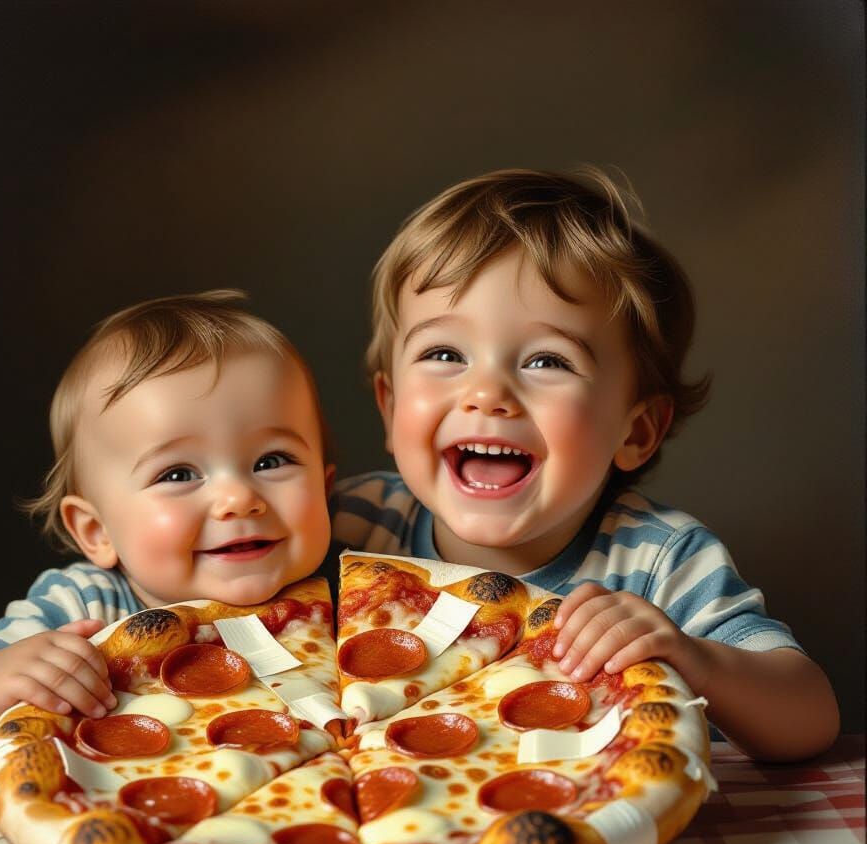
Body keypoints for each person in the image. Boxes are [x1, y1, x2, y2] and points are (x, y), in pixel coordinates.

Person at [330, 168, 839, 763]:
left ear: (636, 431)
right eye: (444, 353)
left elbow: (810, 719)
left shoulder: (658, 561)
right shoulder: (348, 526)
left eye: (547, 361)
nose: (487, 394)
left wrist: (694, 658)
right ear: (391, 406)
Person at [0, 291, 334, 765]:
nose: (237, 498)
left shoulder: (359, 583)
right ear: (97, 531)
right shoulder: (86, 605)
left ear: (326, 485)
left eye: (271, 461)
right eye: (178, 474)